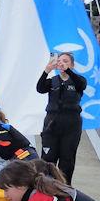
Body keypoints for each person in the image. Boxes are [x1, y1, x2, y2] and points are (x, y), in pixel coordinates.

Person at [36, 53, 87, 184]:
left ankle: (64, 192)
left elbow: (81, 85)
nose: (62, 63)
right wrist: (47, 70)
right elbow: (40, 88)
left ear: (72, 64)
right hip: (52, 125)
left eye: (65, 61)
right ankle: (45, 189)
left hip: (71, 126)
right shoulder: (53, 81)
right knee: (47, 161)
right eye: (59, 61)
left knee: (67, 161)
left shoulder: (78, 81)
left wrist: (68, 70)